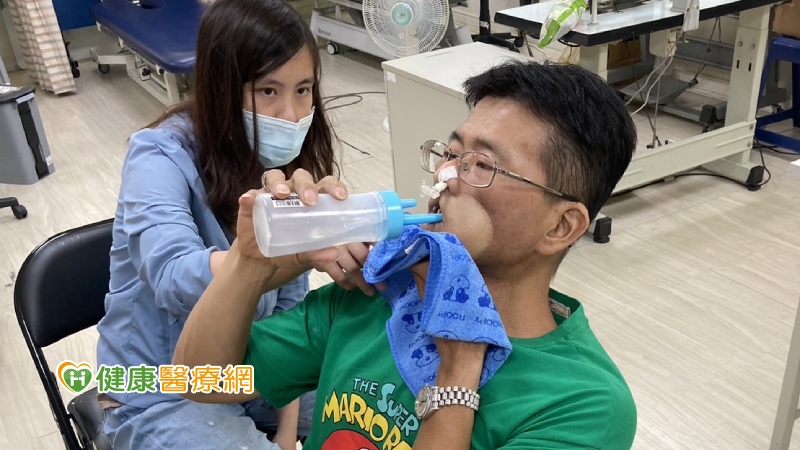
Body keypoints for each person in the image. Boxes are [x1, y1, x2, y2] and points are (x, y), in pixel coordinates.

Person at [173, 59, 639, 449]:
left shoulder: (583, 405)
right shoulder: (376, 294)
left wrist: (457, 374)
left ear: (561, 226)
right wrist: (249, 264)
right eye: (451, 154)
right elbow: (198, 382)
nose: (444, 176)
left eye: (482, 165)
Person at [94, 0, 373, 448]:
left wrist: (286, 433)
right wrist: (261, 257)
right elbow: (171, 276)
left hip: (245, 367)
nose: (291, 115)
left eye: (303, 89)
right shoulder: (158, 155)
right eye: (268, 91)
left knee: (372, 405)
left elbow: (284, 320)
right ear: (222, 87)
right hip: (156, 388)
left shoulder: (281, 165)